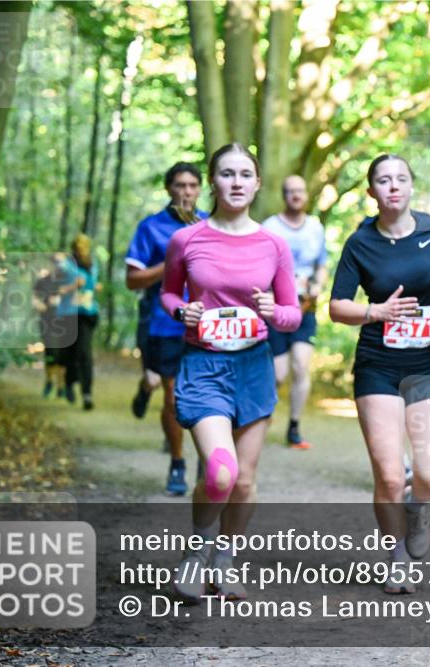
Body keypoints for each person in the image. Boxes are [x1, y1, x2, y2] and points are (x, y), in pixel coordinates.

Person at [160, 143, 300, 601]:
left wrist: (272, 311)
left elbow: (292, 314)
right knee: (220, 471)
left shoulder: (274, 243)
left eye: (245, 174)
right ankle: (196, 555)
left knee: (242, 480)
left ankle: (226, 559)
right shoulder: (187, 239)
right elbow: (169, 294)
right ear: (212, 182)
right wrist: (184, 312)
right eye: (226, 173)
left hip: (253, 366)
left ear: (258, 184)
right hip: (204, 366)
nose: (236, 182)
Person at [329, 154, 430, 594]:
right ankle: (398, 556)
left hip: (429, 361)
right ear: (372, 192)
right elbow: (336, 306)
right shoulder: (359, 243)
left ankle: (418, 508)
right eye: (383, 181)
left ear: (411, 186)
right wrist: (375, 311)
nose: (393, 186)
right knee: (387, 475)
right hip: (378, 364)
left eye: (401, 178)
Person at [125, 162, 207, 495]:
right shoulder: (151, 228)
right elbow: (132, 280)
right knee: (173, 398)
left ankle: (207, 459)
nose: (186, 192)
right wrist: (170, 263)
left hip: (209, 324)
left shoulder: (211, 225)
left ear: (200, 189)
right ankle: (177, 462)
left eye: (192, 185)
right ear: (168, 189)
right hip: (164, 323)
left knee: (207, 398)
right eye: (179, 185)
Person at [261, 175, 329, 450]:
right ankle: (261, 416)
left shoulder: (315, 227)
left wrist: (318, 287)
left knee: (301, 365)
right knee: (278, 375)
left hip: (305, 308)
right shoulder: (270, 227)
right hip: (276, 308)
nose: (296, 196)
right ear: (284, 195)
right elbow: (259, 266)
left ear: (306, 194)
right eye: (290, 191)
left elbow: (322, 265)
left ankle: (294, 427)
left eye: (300, 191)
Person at [58, 234, 101, 411]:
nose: (82, 249)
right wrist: (71, 287)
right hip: (68, 313)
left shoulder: (93, 264)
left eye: (84, 246)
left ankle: (87, 393)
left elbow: (93, 284)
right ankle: (69, 383)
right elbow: (57, 289)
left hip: (87, 313)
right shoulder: (66, 265)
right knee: (70, 354)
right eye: (78, 246)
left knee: (84, 352)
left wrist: (95, 286)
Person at [32, 254, 67, 398]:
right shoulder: (42, 281)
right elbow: (34, 297)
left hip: (64, 322)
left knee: (63, 354)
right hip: (47, 321)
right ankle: (49, 381)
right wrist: (38, 304)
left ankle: (61, 386)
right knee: (51, 353)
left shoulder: (65, 280)